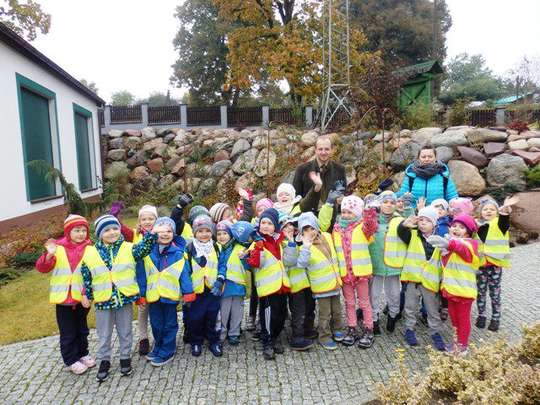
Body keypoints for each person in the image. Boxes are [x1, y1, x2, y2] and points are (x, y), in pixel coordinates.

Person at [80, 214, 157, 382]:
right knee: (104, 333)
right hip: (102, 300)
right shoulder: (90, 253)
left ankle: (125, 358)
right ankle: (104, 361)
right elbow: (86, 276)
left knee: (125, 331)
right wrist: (86, 295)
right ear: (99, 233)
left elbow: (144, 248)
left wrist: (150, 234)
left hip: (124, 298)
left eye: (115, 228)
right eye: (107, 230)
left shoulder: (129, 248)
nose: (112, 232)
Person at [36, 214, 95, 375]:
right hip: (63, 300)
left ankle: (83, 353)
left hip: (81, 298)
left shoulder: (90, 249)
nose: (81, 234)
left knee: (82, 329)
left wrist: (86, 293)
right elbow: (42, 268)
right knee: (68, 332)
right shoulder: (57, 248)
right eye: (77, 230)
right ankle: (71, 359)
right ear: (68, 232)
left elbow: (92, 274)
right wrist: (48, 255)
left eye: (84, 230)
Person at [319, 196, 378, 348]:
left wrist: (369, 211)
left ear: (357, 214)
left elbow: (372, 226)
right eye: (343, 212)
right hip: (345, 274)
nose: (345, 215)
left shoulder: (362, 227)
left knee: (364, 303)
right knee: (349, 303)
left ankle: (368, 329)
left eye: (349, 212)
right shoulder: (337, 229)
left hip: (361, 273)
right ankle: (351, 328)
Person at [142, 217, 196, 367]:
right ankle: (158, 346)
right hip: (153, 296)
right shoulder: (148, 251)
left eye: (169, 231)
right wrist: (141, 294)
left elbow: (184, 275)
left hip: (169, 296)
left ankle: (167, 350)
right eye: (161, 231)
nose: (165, 234)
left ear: (174, 234)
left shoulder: (178, 253)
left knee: (170, 324)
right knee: (156, 324)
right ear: (154, 233)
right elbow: (142, 273)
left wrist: (188, 292)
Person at [246, 208, 295, 360]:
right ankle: (267, 341)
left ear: (275, 226)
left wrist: (291, 242)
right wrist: (259, 248)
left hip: (281, 286)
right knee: (268, 316)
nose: (265, 226)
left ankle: (275, 337)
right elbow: (256, 264)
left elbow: (290, 261)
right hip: (267, 288)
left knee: (280, 316)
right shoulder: (256, 243)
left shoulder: (280, 242)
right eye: (263, 223)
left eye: (269, 223)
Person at [426, 214, 480, 354]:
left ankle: (463, 345)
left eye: (461, 227)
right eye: (454, 226)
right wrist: (445, 246)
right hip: (451, 289)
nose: (456, 229)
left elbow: (463, 250)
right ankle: (456, 340)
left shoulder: (470, 243)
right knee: (454, 318)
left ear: (468, 231)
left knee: (463, 319)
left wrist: (449, 244)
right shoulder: (450, 242)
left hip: (464, 291)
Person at [397, 207, 446, 351]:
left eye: (427, 221)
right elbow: (401, 232)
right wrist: (405, 224)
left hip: (430, 282)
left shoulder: (439, 239)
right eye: (421, 220)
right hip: (412, 279)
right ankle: (409, 329)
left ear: (435, 224)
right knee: (410, 306)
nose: (423, 223)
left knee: (432, 309)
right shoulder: (412, 235)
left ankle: (435, 332)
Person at [296, 212, 344, 350]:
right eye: (305, 230)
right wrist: (306, 246)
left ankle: (337, 329)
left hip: (335, 282)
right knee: (324, 313)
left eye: (312, 228)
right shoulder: (304, 248)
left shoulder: (327, 237)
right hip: (321, 286)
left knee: (337, 309)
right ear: (301, 233)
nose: (310, 232)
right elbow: (301, 263)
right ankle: (324, 336)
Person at [185, 215, 224, 357]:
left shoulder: (216, 247)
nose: (204, 234)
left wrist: (220, 280)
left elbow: (222, 264)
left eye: (207, 231)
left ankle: (214, 340)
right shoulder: (189, 248)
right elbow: (185, 270)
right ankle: (196, 341)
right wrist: (187, 290)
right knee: (195, 318)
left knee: (213, 317)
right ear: (195, 232)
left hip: (213, 289)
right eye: (200, 231)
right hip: (196, 291)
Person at [369, 191, 406, 335]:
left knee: (394, 293)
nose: (389, 205)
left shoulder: (400, 220)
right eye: (385, 202)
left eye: (392, 202)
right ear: (380, 203)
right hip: (376, 262)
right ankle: (374, 318)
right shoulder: (373, 220)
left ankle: (392, 315)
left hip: (393, 263)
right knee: (374, 293)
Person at [475, 197, 511, 332]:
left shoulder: (499, 224)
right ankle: (481, 315)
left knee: (494, 293)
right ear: (481, 212)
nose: (488, 211)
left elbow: (505, 220)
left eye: (492, 209)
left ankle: (496, 317)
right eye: (485, 209)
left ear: (497, 212)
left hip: (495, 265)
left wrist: (505, 211)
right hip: (480, 265)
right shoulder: (477, 226)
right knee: (480, 292)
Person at [281, 216, 316, 351]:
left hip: (304, 282)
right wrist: (292, 243)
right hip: (294, 285)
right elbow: (292, 262)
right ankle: (297, 337)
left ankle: (307, 330)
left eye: (290, 225)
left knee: (309, 307)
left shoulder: (296, 241)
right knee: (298, 311)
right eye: (284, 226)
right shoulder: (284, 243)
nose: (289, 228)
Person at [292, 135, 347, 212]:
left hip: (332, 216)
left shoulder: (340, 169)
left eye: (327, 149)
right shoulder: (302, 170)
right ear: (315, 150)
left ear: (331, 150)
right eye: (320, 149)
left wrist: (341, 199)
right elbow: (296, 197)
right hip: (307, 215)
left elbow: (342, 192)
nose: (323, 152)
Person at [216, 220, 249, 345]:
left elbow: (247, 266)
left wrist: (245, 258)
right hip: (224, 287)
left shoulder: (240, 248)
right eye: (219, 234)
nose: (222, 236)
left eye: (225, 233)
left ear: (231, 235)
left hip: (238, 286)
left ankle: (234, 333)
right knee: (223, 312)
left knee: (237, 311)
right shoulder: (217, 248)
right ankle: (222, 333)